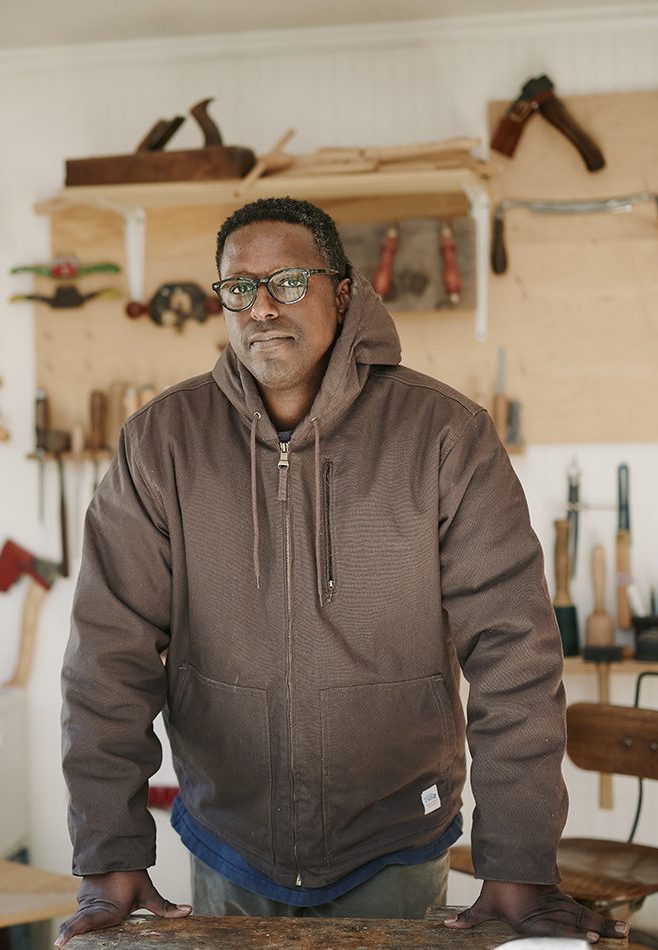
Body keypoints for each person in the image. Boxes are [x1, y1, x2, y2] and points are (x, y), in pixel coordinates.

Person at [57, 197, 628, 946]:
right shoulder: (161, 442)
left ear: (344, 292)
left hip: (395, 836)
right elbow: (106, 657)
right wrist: (109, 852)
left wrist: (519, 860)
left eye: (289, 281)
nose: (262, 307)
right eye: (239, 287)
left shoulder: (445, 435)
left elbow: (514, 652)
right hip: (228, 836)